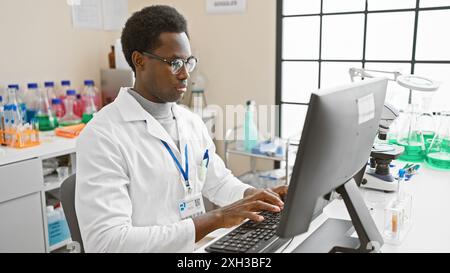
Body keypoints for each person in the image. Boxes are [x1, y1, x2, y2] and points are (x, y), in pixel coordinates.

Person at [75, 5, 287, 253]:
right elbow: (106, 244)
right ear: (139, 61)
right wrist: (216, 218)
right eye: (174, 63)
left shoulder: (191, 121)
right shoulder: (103, 136)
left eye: (188, 62)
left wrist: (257, 197)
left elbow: (218, 183)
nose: (185, 74)